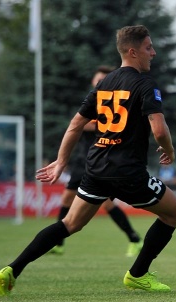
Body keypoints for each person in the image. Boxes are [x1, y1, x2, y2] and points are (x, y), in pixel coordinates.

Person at [0, 25, 176, 296]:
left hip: (95, 168)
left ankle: (12, 269)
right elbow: (159, 129)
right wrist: (170, 150)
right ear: (133, 51)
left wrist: (61, 162)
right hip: (128, 171)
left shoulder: (103, 84)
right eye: (148, 48)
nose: (153, 53)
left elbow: (75, 124)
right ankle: (138, 274)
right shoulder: (145, 84)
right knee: (174, 213)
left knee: (69, 224)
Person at [49, 65, 143, 257]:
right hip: (82, 159)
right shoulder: (93, 99)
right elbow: (80, 125)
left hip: (100, 159)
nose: (98, 82)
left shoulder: (114, 102)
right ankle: (58, 244)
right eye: (96, 79)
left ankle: (134, 238)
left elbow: (87, 124)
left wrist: (90, 123)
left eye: (102, 79)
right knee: (67, 198)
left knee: (107, 204)